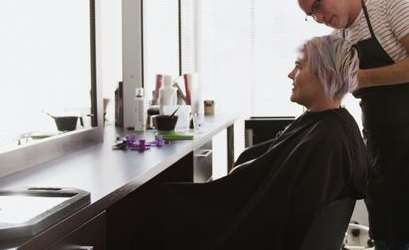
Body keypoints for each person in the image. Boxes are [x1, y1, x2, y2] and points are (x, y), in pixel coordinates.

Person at [139, 35, 367, 249]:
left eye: (299, 66)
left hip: (253, 237)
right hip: (256, 226)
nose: (290, 74)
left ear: (324, 75)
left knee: (163, 202)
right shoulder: (333, 128)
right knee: (169, 199)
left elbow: (288, 219)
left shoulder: (326, 140)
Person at [293, 0, 409, 250]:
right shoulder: (336, 40)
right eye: (312, 14)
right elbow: (329, 92)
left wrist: (361, 77)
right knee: (387, 237)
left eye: (318, 5)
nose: (319, 17)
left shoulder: (391, 5)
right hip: (379, 146)